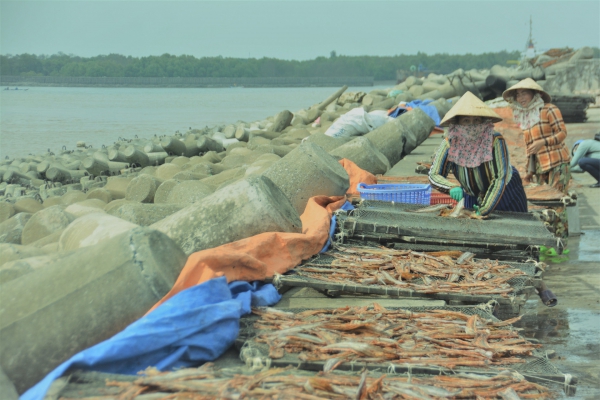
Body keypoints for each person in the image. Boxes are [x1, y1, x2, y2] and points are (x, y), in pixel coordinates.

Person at [429, 91, 528, 217]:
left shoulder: (495, 141)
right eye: (466, 120)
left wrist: (484, 209)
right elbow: (434, 173)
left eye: (476, 120)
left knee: (511, 225)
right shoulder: (450, 142)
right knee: (473, 225)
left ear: (483, 122)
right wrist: (450, 187)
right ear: (458, 123)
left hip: (504, 191)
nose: (472, 126)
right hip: (471, 193)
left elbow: (499, 179)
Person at [502, 78, 571, 193]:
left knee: (557, 201)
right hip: (540, 168)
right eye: (518, 95)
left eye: (524, 93)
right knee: (545, 203)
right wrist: (530, 171)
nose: (521, 98)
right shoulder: (525, 117)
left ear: (535, 94)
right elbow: (531, 149)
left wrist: (543, 142)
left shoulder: (549, 109)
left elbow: (562, 133)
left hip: (557, 163)